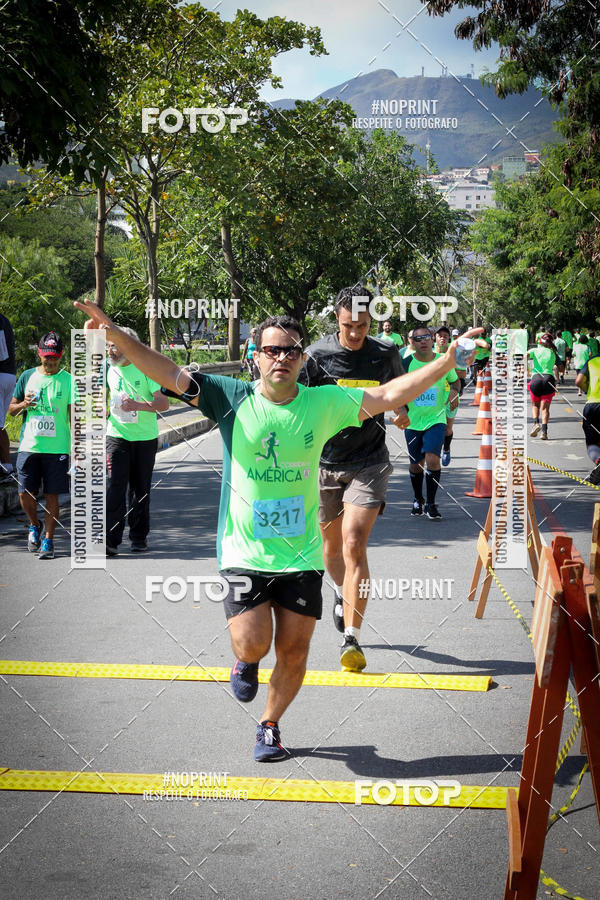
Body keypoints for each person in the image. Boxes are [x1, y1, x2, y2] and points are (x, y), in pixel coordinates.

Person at [75, 298, 480, 761]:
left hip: (302, 555)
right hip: (244, 553)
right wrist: (119, 338)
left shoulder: (323, 403)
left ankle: (269, 725)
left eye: (290, 352)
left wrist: (448, 361)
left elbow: (388, 396)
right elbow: (168, 373)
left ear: (302, 359)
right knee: (255, 643)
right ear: (256, 355)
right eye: (272, 351)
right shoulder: (230, 398)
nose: (281, 358)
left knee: (294, 650)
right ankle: (246, 663)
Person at [299, 286, 407, 672]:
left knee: (354, 541)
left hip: (370, 461)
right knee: (331, 549)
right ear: (337, 319)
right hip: (325, 462)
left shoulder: (384, 353)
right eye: (349, 326)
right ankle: (342, 592)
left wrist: (399, 412)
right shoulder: (317, 355)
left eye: (362, 325)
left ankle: (351, 638)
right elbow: (298, 401)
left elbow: (399, 393)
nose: (356, 333)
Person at [104, 329, 170, 556]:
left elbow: (164, 404)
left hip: (144, 438)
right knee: (114, 486)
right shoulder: (107, 368)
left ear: (129, 346)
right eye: (109, 346)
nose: (111, 351)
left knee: (139, 489)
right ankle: (110, 540)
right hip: (116, 435)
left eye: (115, 346)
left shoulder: (146, 369)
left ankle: (138, 537)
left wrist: (138, 405)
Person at [7, 332, 72, 559]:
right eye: (46, 357)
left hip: (57, 449)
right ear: (39, 353)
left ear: (61, 355)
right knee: (25, 492)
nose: (50, 362)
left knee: (53, 496)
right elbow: (11, 409)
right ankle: (34, 525)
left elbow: (75, 417)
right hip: (29, 446)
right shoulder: (27, 376)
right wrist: (25, 403)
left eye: (54, 357)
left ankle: (49, 540)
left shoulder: (69, 380)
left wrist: (79, 447)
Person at [404, 325, 459, 519]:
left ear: (432, 339)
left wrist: (454, 391)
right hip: (412, 422)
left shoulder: (442, 361)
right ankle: (418, 499)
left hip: (437, 419)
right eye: (418, 338)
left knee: (432, 460)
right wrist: (399, 410)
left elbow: (455, 381)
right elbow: (395, 391)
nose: (424, 340)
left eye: (427, 336)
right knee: (415, 465)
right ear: (411, 342)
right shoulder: (405, 364)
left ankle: (431, 503)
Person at [435, 325, 464, 466]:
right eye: (439, 336)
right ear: (435, 338)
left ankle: (446, 449)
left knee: (447, 428)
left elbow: (462, 374)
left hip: (451, 394)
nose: (442, 338)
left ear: (449, 339)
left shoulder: (456, 354)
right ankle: (433, 452)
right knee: (433, 427)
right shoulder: (428, 353)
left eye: (445, 336)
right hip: (433, 396)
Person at [527, 333, 558, 440]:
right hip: (548, 379)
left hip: (536, 378)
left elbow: (523, 357)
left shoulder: (534, 350)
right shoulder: (552, 352)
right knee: (545, 408)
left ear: (540, 341)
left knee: (535, 405)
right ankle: (544, 432)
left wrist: (526, 369)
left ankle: (536, 424)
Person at [575, 356, 600, 484]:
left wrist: (586, 390)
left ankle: (598, 461)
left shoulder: (592, 361)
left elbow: (579, 381)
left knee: (592, 441)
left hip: (593, 404)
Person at [0, 311, 16, 479]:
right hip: (9, 374)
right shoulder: (5, 319)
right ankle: (6, 466)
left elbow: (1, 352)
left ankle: (6, 468)